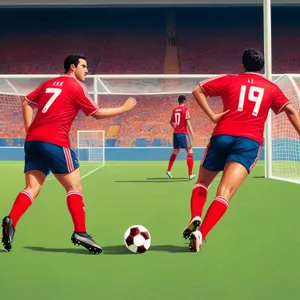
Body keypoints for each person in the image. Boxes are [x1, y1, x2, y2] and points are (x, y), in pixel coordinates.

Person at [1, 54, 137, 254]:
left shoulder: (48, 84)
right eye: (84, 66)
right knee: (74, 186)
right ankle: (80, 232)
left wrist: (29, 129)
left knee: (32, 187)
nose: (87, 70)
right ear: (72, 67)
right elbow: (96, 114)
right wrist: (124, 108)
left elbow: (26, 103)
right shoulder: (76, 87)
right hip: (55, 141)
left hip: (32, 142)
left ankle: (11, 220)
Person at [182, 48, 300, 252]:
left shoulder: (229, 80)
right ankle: (202, 233)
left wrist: (211, 115)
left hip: (222, 135)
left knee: (202, 182)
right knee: (224, 192)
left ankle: (195, 217)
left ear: (242, 65)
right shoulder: (271, 88)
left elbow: (197, 90)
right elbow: (290, 111)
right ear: (262, 69)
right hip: (249, 142)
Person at [166, 95, 196, 180]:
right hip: (183, 133)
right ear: (184, 101)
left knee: (175, 151)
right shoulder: (185, 110)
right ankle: (190, 174)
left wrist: (175, 128)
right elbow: (188, 123)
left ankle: (168, 170)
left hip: (176, 133)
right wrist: (192, 134)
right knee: (190, 150)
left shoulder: (175, 110)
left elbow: (171, 122)